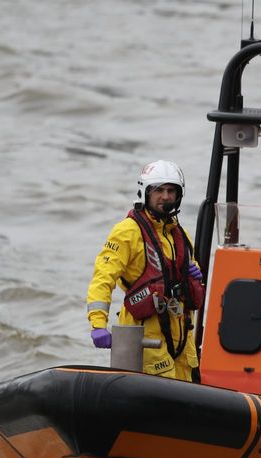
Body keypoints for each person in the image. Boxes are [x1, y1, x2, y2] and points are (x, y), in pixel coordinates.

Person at [86, 160, 205, 381]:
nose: (166, 197)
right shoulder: (127, 232)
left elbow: (189, 270)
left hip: (181, 332)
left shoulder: (179, 234)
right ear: (145, 192)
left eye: (171, 191)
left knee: (185, 395)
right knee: (162, 390)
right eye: (159, 190)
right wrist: (98, 324)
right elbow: (103, 277)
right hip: (145, 332)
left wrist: (195, 273)